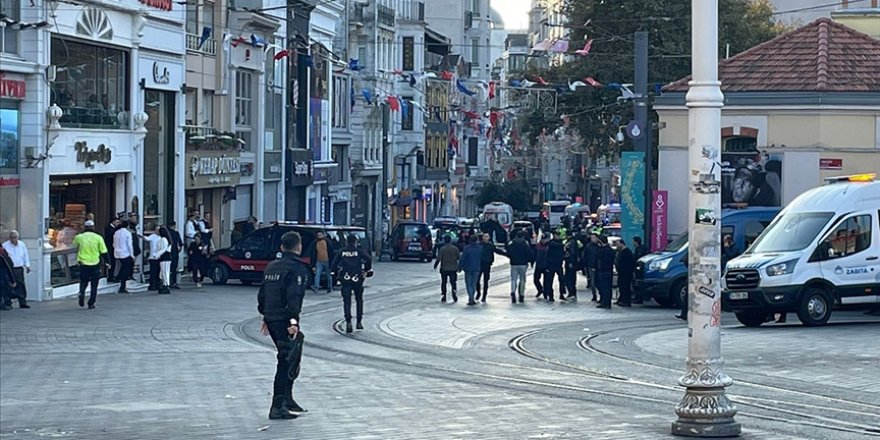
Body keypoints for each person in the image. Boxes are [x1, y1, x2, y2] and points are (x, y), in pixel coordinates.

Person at [257, 231, 309, 420]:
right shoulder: (296, 268)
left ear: (282, 247)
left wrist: (265, 315)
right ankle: (278, 405)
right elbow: (294, 298)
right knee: (286, 358)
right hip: (285, 320)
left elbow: (262, 295)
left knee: (291, 354)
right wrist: (293, 322)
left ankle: (287, 398)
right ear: (299, 247)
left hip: (272, 318)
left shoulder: (272, 266)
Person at [332, 234, 373, 333]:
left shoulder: (342, 251)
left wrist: (336, 274)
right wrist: (366, 270)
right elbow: (368, 258)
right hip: (357, 278)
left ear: (347, 241)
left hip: (345, 279)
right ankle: (359, 322)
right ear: (355, 242)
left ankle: (348, 322)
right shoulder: (359, 251)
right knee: (359, 300)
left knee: (347, 301)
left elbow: (334, 264)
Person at [73, 220, 109, 309]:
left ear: (85, 227)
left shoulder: (79, 237)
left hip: (83, 262)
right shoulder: (98, 237)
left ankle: (81, 293)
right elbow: (104, 251)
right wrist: (107, 262)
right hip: (95, 263)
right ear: (93, 227)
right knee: (94, 284)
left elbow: (74, 246)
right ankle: (91, 302)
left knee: (83, 281)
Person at [2, 230, 30, 308]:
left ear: (18, 237)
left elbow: (25, 255)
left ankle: (22, 302)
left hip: (19, 268)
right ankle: (8, 302)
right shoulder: (5, 245)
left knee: (21, 285)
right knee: (9, 285)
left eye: (15, 237)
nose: (13, 239)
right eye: (12, 237)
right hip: (9, 269)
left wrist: (27, 265)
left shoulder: (22, 244)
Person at [504, 230, 533, 303]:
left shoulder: (512, 243)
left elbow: (508, 252)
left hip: (514, 264)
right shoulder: (525, 243)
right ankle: (521, 295)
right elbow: (529, 253)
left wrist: (512, 258)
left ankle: (513, 292)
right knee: (522, 279)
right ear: (523, 236)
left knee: (513, 279)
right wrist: (530, 261)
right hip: (523, 264)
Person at [433, 234, 460, 303]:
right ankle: (454, 291)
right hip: (453, 268)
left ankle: (444, 295)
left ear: (444, 241)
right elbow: (459, 258)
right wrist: (459, 267)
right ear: (450, 240)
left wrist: (435, 265)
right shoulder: (455, 248)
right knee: (453, 282)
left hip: (444, 268)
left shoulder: (442, 249)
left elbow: (439, 258)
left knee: (444, 282)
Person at [459, 235, 483, 306]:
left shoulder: (466, 248)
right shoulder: (480, 248)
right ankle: (472, 297)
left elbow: (463, 258)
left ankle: (471, 298)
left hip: (468, 268)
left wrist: (460, 266)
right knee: (474, 284)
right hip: (477, 268)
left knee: (468, 284)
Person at [543, 232, 566, 302]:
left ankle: (557, 294)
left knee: (556, 280)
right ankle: (554, 294)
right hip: (553, 264)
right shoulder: (556, 244)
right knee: (552, 280)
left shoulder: (551, 243)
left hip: (556, 264)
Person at [113, 220, 134, 293]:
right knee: (126, 269)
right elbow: (129, 245)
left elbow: (114, 243)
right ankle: (122, 285)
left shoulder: (116, 232)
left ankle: (118, 278)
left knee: (123, 266)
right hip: (125, 253)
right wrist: (132, 254)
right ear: (127, 226)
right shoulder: (127, 233)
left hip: (117, 252)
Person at [595, 235, 615, 309]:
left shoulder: (603, 251)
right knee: (608, 288)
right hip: (609, 271)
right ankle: (607, 302)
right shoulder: (611, 250)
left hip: (603, 271)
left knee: (604, 287)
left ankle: (605, 302)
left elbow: (599, 257)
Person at [474, 232, 495, 303]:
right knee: (477, 280)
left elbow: (495, 251)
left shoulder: (490, 245)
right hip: (480, 264)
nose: (485, 238)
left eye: (487, 236)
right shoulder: (479, 245)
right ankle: (478, 292)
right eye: (484, 236)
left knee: (486, 281)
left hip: (487, 264)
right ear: (482, 237)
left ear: (489, 237)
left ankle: (484, 295)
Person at [614, 239, 635, 307]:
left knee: (626, 287)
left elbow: (631, 263)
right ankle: (621, 299)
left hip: (626, 273)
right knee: (621, 287)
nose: (617, 246)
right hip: (621, 273)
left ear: (622, 244)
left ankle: (626, 301)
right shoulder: (620, 252)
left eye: (618, 244)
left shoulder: (627, 252)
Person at [581, 232, 600, 302]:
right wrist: (585, 265)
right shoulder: (588, 246)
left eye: (594, 238)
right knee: (592, 282)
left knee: (598, 281)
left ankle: (600, 294)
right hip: (591, 265)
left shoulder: (599, 246)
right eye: (592, 238)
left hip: (598, 266)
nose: (592, 239)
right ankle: (594, 295)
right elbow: (585, 256)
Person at [563, 234, 581, 300]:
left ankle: (572, 292)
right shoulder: (574, 241)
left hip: (570, 262)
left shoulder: (571, 242)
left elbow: (572, 253)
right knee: (571, 278)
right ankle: (572, 292)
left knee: (569, 278)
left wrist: (570, 262)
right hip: (572, 262)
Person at [145, 224, 162, 291]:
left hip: (159, 256)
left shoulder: (161, 237)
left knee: (158, 272)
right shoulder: (152, 236)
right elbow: (146, 238)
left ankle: (157, 284)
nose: (158, 231)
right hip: (153, 256)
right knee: (153, 272)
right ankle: (152, 285)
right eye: (157, 230)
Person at [532, 234, 550, 299]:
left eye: (545, 239)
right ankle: (540, 289)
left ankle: (546, 293)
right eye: (543, 239)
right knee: (536, 279)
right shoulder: (537, 246)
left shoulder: (550, 246)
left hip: (546, 265)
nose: (544, 241)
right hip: (539, 265)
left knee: (546, 281)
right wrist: (532, 261)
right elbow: (534, 254)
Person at [167, 221, 183, 289]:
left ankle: (167, 282)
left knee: (167, 268)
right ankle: (174, 282)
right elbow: (180, 243)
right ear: (174, 226)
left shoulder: (167, 233)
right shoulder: (176, 233)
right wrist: (179, 249)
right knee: (174, 268)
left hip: (168, 252)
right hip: (175, 252)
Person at [156, 227, 172, 294]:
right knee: (164, 271)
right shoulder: (166, 239)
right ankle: (165, 284)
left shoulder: (163, 239)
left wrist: (157, 254)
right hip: (166, 257)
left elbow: (163, 249)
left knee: (164, 272)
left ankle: (166, 285)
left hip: (164, 257)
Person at [104, 217, 121, 281]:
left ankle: (112, 275)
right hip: (110, 248)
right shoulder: (110, 229)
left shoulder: (114, 229)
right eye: (117, 222)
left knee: (113, 262)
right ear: (113, 222)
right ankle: (110, 276)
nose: (118, 224)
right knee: (111, 262)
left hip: (112, 248)